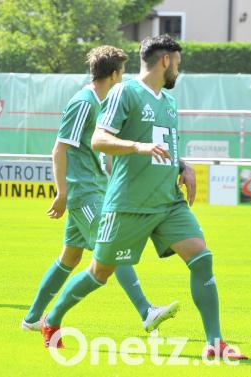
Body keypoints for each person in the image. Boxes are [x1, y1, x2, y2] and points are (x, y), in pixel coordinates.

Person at [40, 35, 247, 360]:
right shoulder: (124, 92)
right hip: (128, 205)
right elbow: (99, 139)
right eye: (177, 62)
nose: (178, 69)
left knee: (201, 257)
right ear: (165, 60)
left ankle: (215, 343)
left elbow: (162, 146)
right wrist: (137, 147)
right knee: (99, 273)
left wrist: (183, 165)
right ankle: (51, 320)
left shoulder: (169, 102)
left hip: (167, 202)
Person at [22, 45, 177, 334]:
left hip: (95, 188)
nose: (125, 78)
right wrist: (62, 192)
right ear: (115, 74)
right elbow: (59, 149)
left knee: (70, 257)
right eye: (123, 72)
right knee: (112, 249)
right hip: (83, 192)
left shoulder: (103, 103)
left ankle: (32, 318)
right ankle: (146, 311)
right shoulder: (84, 102)